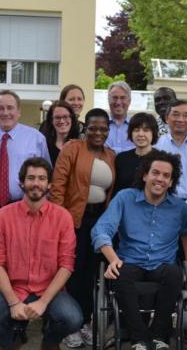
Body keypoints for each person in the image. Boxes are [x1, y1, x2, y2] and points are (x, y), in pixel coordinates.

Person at [0, 158, 82, 350]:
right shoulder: (3, 216)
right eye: (31, 178)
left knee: (73, 319)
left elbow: (66, 265)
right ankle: (10, 341)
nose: (36, 183)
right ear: (22, 182)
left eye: (41, 178)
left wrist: (43, 302)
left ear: (49, 185)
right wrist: (14, 303)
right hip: (11, 289)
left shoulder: (62, 217)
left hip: (48, 290)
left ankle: (49, 341)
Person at [91, 150, 187, 350]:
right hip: (131, 261)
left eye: (166, 176)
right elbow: (101, 229)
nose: (160, 179)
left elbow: (186, 232)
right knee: (121, 273)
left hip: (163, 265)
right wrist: (113, 260)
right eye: (156, 173)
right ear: (145, 175)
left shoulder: (179, 207)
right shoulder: (125, 198)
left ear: (171, 182)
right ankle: (138, 339)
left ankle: (159, 336)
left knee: (175, 273)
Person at [0, 90, 51, 346]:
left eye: (10, 108)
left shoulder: (35, 138)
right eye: (0, 108)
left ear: (19, 111)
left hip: (23, 207)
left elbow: (45, 175)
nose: (5, 113)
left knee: (23, 265)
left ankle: (19, 325)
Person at [49, 108, 116, 348]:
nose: (98, 132)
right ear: (85, 128)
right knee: (72, 272)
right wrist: (59, 220)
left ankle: (86, 323)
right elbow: (58, 186)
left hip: (99, 222)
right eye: (93, 127)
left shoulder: (111, 155)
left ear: (109, 130)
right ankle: (70, 326)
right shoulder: (72, 149)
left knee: (92, 275)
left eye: (103, 128)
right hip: (73, 220)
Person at [113, 112, 159, 195]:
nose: (141, 134)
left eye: (146, 130)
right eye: (136, 130)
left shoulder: (161, 159)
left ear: (153, 133)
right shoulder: (121, 158)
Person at [39, 100, 80, 166]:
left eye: (65, 117)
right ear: (51, 120)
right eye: (57, 117)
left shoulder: (80, 145)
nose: (62, 121)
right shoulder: (44, 146)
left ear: (71, 118)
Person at [106, 81, 136, 153]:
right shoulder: (100, 126)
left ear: (129, 101)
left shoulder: (136, 127)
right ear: (108, 100)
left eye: (122, 98)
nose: (118, 102)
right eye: (114, 97)